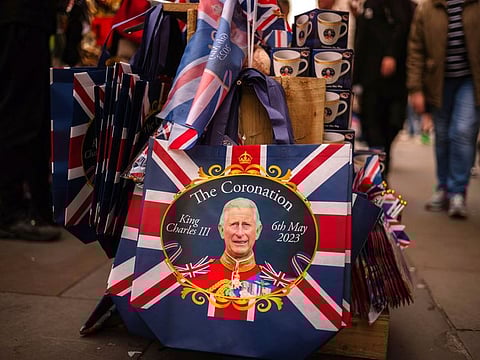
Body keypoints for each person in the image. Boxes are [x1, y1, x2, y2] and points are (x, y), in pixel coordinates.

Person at [407, 0, 480, 218]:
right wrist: (415, 89)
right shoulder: (428, 7)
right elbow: (416, 50)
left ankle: (457, 191)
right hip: (438, 82)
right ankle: (443, 188)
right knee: (443, 135)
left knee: (462, 131)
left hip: (470, 81)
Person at [0, 1, 61, 241]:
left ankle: (39, 207)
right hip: (19, 16)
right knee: (18, 111)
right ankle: (9, 212)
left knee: (35, 113)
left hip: (31, 18)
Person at [353, 0, 414, 178]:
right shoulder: (366, 5)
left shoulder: (401, 6)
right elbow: (361, 39)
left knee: (392, 124)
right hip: (369, 79)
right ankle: (377, 176)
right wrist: (355, 79)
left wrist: (391, 54)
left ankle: (381, 167)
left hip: (394, 81)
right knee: (372, 128)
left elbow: (404, 28)